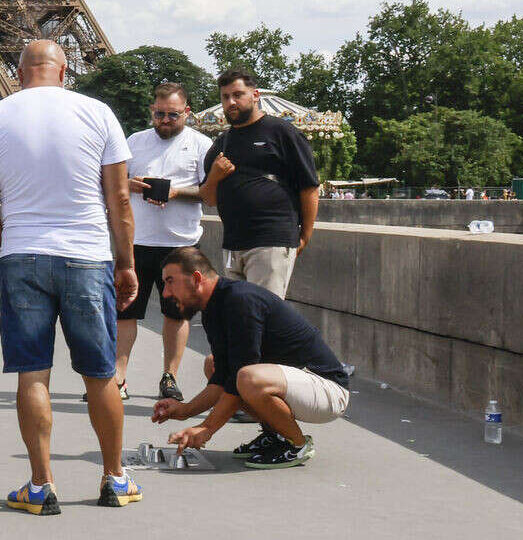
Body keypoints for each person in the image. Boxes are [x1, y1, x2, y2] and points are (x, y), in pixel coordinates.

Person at [0, 39, 141, 513]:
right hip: (87, 255)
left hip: (23, 254)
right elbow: (120, 201)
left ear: (19, 73)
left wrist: (6, 261)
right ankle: (115, 478)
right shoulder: (98, 113)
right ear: (64, 72)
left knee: (33, 374)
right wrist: (125, 263)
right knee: (101, 374)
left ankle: (40, 486)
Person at [151, 246, 350, 469]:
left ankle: (297, 444)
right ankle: (276, 435)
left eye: (170, 281)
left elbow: (240, 375)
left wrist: (207, 428)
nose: (166, 293)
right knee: (214, 364)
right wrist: (185, 410)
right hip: (296, 384)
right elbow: (223, 377)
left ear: (196, 278)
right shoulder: (213, 308)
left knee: (247, 377)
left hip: (327, 389)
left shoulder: (240, 301)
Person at [114, 83, 213, 403]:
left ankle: (169, 377)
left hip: (181, 244)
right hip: (137, 241)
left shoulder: (201, 145)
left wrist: (175, 192)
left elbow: (210, 193)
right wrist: (130, 184)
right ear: (151, 112)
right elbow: (115, 184)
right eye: (160, 114)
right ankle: (118, 376)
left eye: (173, 114)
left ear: (187, 112)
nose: (166, 120)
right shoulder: (134, 142)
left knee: (177, 314)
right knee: (125, 312)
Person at [200, 70, 320, 299]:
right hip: (233, 243)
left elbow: (309, 188)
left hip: (271, 239)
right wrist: (215, 175)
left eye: (238, 94)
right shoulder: (223, 142)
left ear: (255, 95)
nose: (231, 102)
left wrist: (304, 237)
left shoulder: (282, 132)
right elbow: (208, 197)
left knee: (264, 315)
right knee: (240, 317)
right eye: (225, 97)